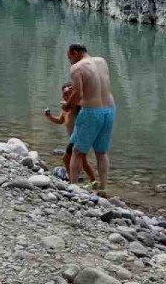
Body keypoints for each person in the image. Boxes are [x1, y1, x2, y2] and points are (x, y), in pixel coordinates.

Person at [62, 43, 115, 194]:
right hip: (110, 110)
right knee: (102, 152)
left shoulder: (77, 68)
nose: (70, 61)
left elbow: (78, 94)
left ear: (75, 52)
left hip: (92, 111)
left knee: (77, 151)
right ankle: (103, 187)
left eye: (69, 57)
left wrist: (67, 106)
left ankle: (73, 187)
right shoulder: (101, 61)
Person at [43, 83, 97, 185]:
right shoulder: (65, 108)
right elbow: (60, 121)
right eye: (65, 94)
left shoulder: (78, 106)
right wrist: (49, 116)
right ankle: (87, 181)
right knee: (79, 160)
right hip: (74, 138)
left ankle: (77, 182)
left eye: (69, 93)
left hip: (81, 136)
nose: (67, 96)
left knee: (73, 159)